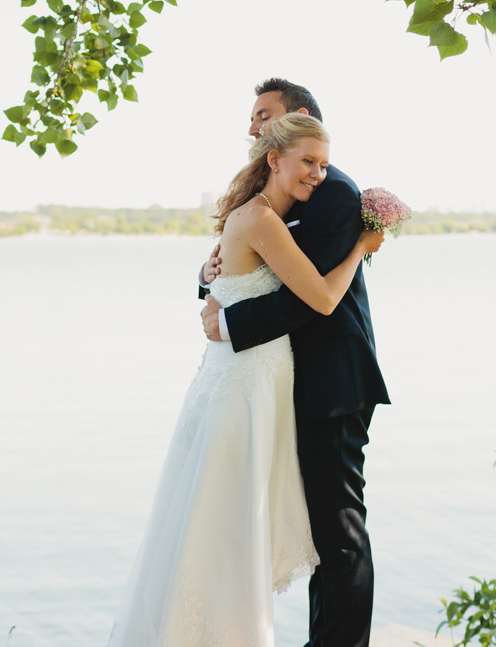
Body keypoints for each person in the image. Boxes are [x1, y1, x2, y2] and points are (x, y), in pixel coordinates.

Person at [108, 113, 383, 647]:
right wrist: (361, 249)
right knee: (230, 518)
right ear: (274, 160)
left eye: (323, 164)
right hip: (247, 385)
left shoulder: (277, 210)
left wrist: (214, 284)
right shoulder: (262, 219)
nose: (319, 176)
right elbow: (323, 298)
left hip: (248, 379)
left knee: (222, 515)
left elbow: (240, 279)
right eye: (308, 163)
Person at [201, 78, 390, 647]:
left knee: (338, 526)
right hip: (286, 379)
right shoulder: (269, 194)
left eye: (263, 115)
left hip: (334, 381)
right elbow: (240, 260)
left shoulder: (332, 193)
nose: (252, 127)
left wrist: (230, 324)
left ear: (298, 117)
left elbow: (306, 299)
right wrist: (210, 280)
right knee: (318, 529)